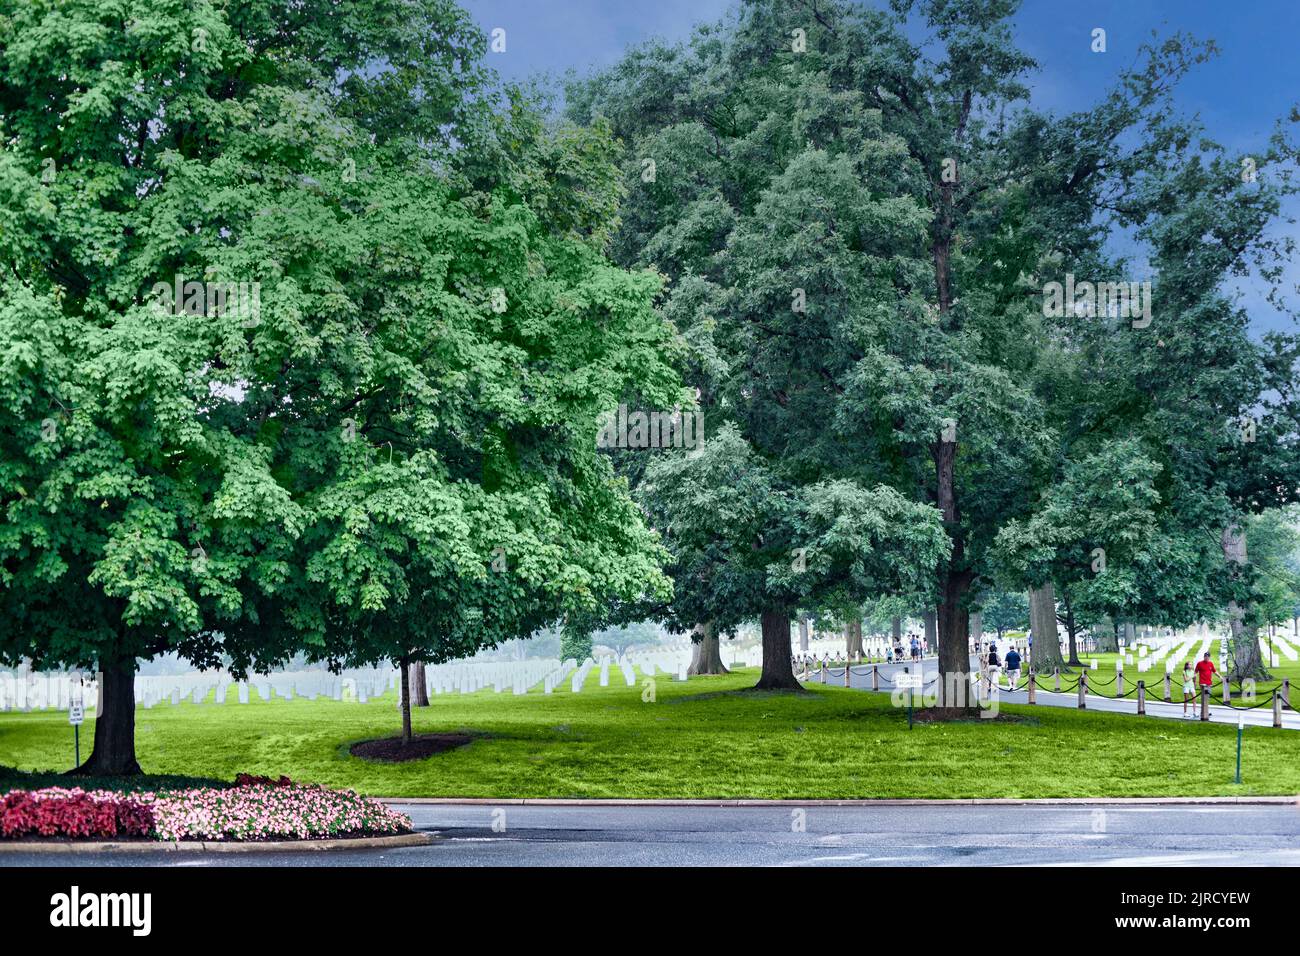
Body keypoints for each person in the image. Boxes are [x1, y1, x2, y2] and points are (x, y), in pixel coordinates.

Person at [1193, 652, 1217, 717]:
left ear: (1209, 657)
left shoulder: (1210, 663)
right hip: (1202, 683)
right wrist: (1194, 681)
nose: (1207, 657)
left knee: (1207, 697)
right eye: (1206, 656)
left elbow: (1214, 671)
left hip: (1209, 683)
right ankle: (1203, 712)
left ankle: (1206, 711)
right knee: (1204, 697)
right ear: (1204, 657)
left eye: (1208, 656)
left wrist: (1220, 676)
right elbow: (1195, 672)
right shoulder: (1199, 663)